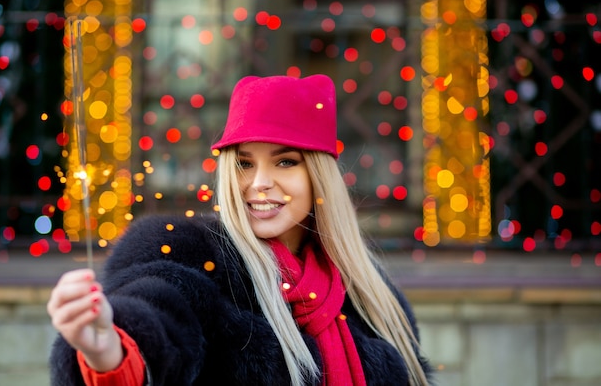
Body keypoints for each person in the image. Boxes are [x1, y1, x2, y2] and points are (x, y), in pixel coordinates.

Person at [47, 74, 433, 385]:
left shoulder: (372, 293)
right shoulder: (189, 252)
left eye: (285, 162)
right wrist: (107, 349)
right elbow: (160, 319)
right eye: (244, 163)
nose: (259, 183)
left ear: (320, 176)